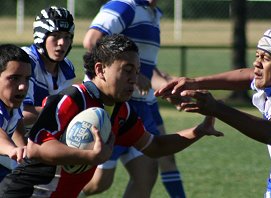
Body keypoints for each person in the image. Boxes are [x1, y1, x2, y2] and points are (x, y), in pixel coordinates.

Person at [0, 34, 223, 198]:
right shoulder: (73, 98)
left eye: (136, 72)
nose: (133, 79)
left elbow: (154, 146)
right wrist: (89, 157)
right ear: (100, 70)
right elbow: (37, 148)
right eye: (126, 70)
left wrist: (198, 131)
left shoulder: (122, 111)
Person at [155, 27, 271, 197]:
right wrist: (195, 82)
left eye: (265, 58)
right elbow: (248, 76)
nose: (256, 63)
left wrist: (217, 109)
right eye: (257, 55)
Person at [82, 1, 186, 197]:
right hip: (112, 105)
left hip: (140, 106)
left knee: (146, 175)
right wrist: (130, 75)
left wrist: (168, 87)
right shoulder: (124, 6)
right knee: (99, 183)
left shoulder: (153, 13)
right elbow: (92, 40)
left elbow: (146, 68)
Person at [21, 6, 76, 127]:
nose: (62, 43)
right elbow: (20, 115)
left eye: (67, 37)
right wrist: (63, 111)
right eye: (55, 35)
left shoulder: (67, 68)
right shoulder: (25, 61)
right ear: (41, 37)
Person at [0, 44, 31, 182]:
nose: (23, 86)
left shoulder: (13, 101)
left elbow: (17, 122)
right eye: (14, 78)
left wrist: (23, 152)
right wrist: (11, 149)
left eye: (26, 78)